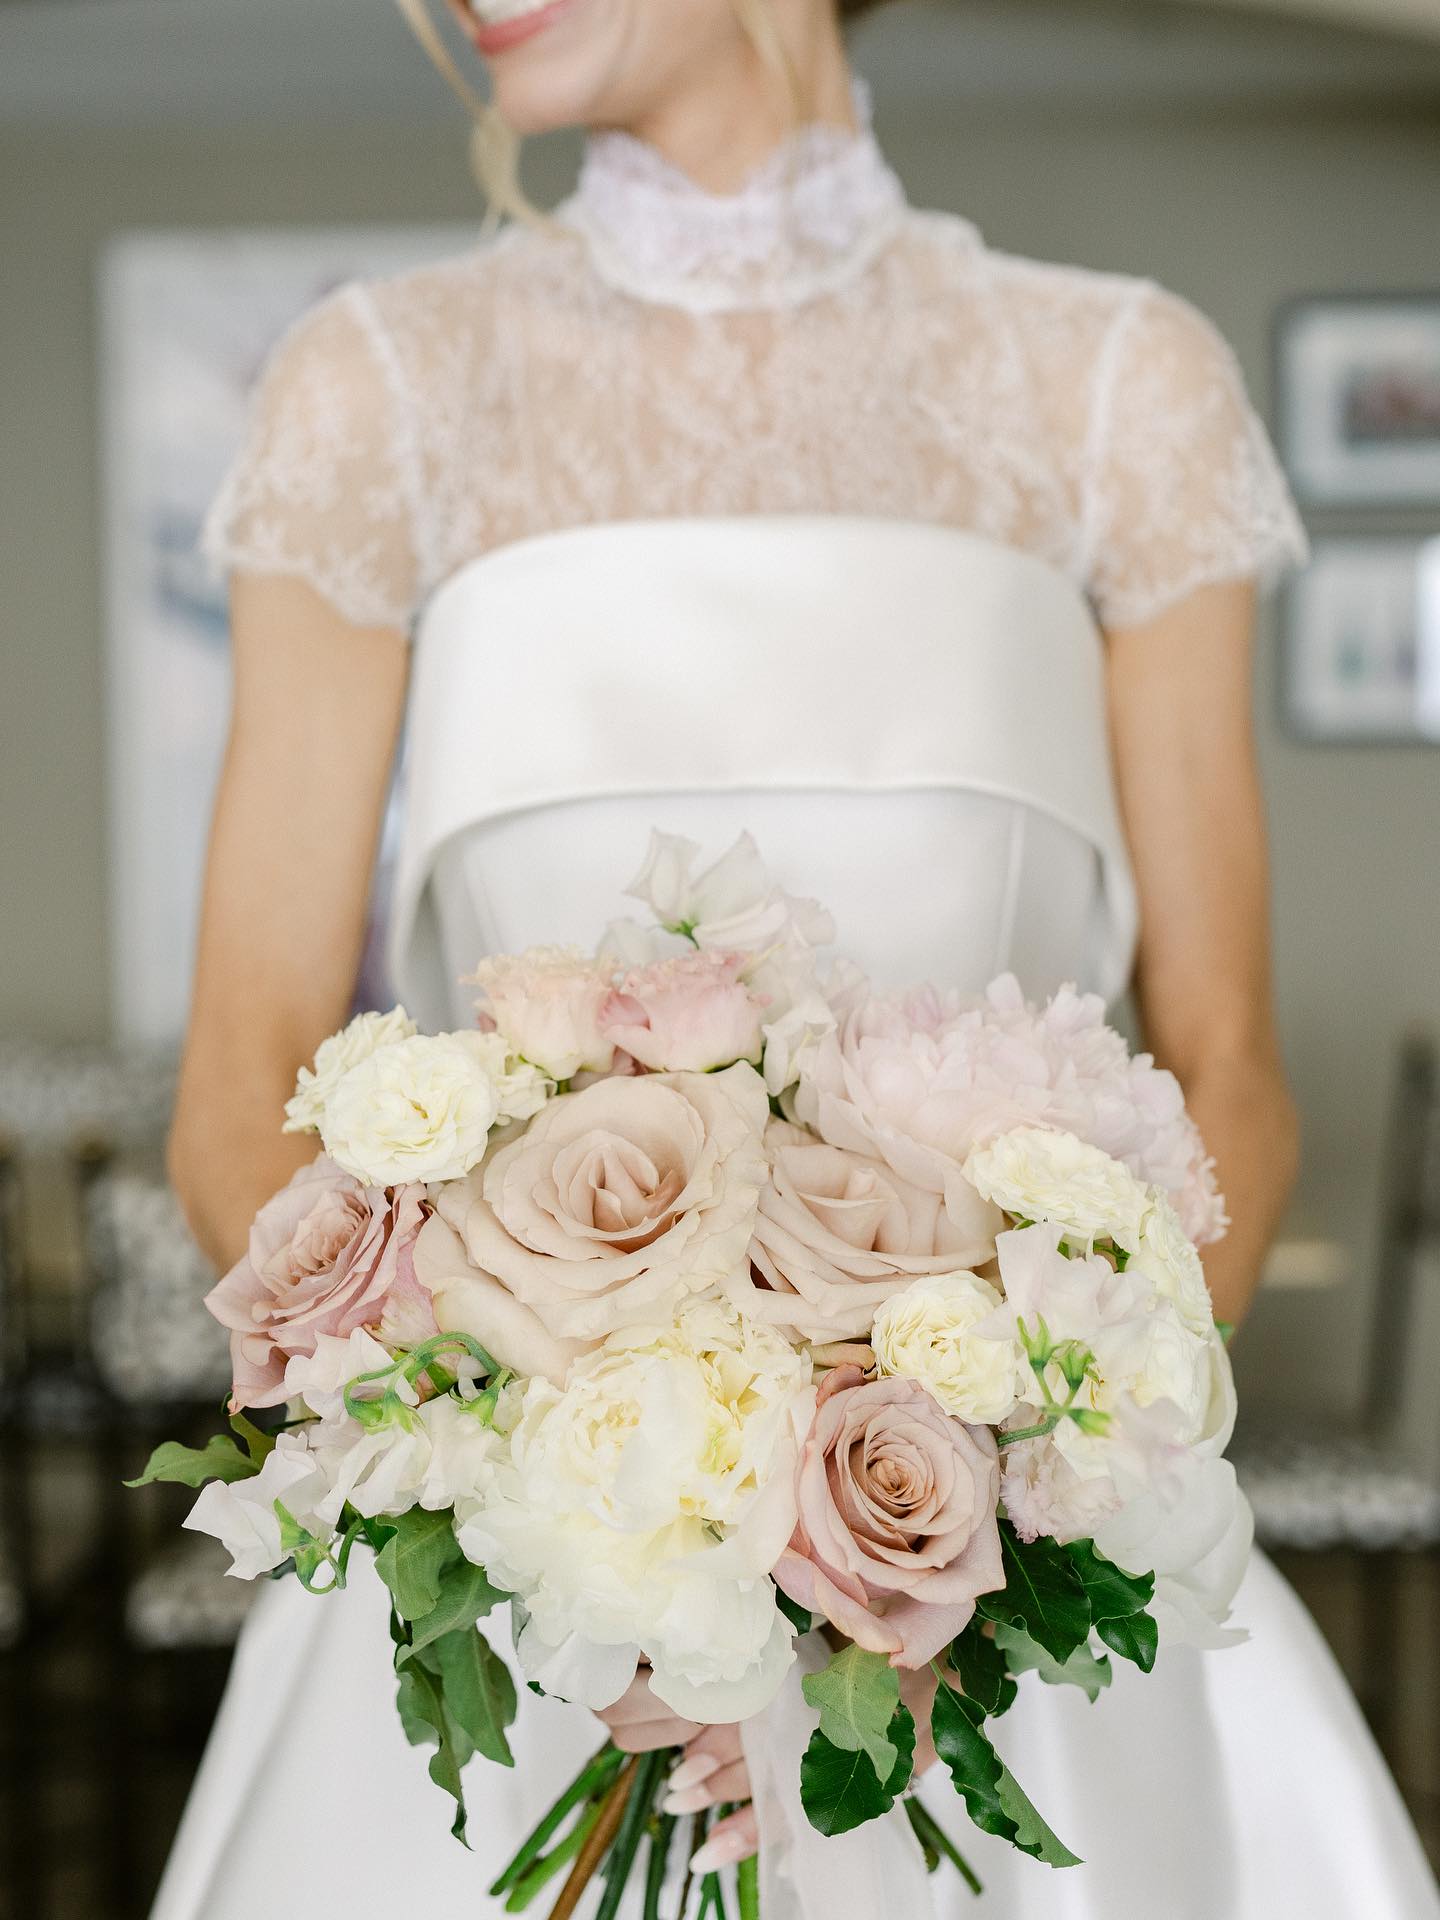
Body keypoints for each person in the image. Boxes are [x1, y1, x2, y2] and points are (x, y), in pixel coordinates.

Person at [155, 0, 1440, 1914]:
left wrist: (992, 1529)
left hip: (1003, 1608)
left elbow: (1228, 1075)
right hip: (536, 1636)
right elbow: (240, 1082)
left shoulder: (1111, 389)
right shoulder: (384, 394)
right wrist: (566, 1531)